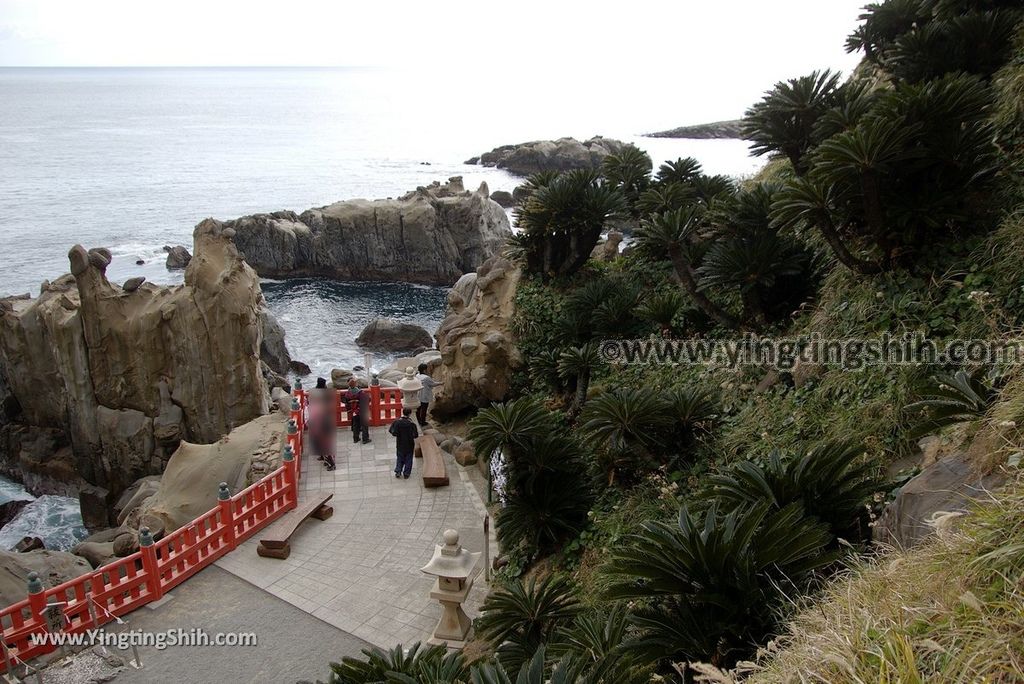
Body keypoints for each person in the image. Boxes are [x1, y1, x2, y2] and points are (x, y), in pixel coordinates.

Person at [308, 379, 336, 470]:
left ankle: (331, 463)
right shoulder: (326, 394)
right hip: (322, 421)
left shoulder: (314, 394)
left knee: (324, 443)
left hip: (320, 421)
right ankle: (325, 458)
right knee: (324, 443)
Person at [388, 407, 418, 479]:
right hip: (409, 444)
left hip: (400, 443)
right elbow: (415, 435)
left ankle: (398, 471)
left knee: (400, 457)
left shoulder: (397, 422)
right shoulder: (412, 424)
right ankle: (406, 473)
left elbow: (392, 431)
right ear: (410, 414)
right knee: (409, 458)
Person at [343, 378, 371, 444]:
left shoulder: (347, 394)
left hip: (353, 411)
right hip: (361, 411)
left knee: (356, 425)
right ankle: (365, 439)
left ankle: (356, 438)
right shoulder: (360, 393)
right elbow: (366, 400)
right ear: (355, 384)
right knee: (364, 425)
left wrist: (350, 411)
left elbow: (347, 404)